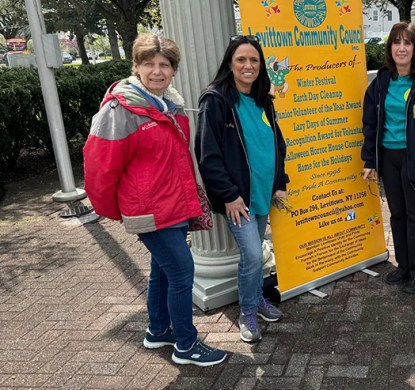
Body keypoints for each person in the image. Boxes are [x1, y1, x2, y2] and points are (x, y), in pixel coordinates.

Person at [83, 34, 227, 367]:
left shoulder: (170, 105)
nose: (157, 71)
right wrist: (115, 210)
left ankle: (158, 330)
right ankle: (186, 345)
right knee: (181, 272)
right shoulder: (121, 109)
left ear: (173, 70)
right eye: (149, 64)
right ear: (136, 66)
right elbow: (99, 166)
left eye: (164, 65)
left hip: (173, 205)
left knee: (162, 273)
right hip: (149, 210)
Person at [195, 35, 289, 343]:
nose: (248, 66)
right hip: (239, 199)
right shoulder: (216, 100)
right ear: (230, 64)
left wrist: (278, 183)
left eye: (254, 61)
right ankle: (248, 311)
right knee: (251, 254)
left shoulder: (263, 99)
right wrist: (229, 196)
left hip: (262, 192)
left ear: (261, 66)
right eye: (241, 60)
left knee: (255, 254)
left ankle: (258, 298)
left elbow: (276, 144)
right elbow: (208, 158)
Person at [362, 22, 415, 294]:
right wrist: (370, 160)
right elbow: (370, 124)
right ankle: (404, 266)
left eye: (407, 43)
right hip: (388, 158)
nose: (401, 48)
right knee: (397, 214)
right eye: (396, 42)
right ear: (390, 47)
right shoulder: (382, 81)